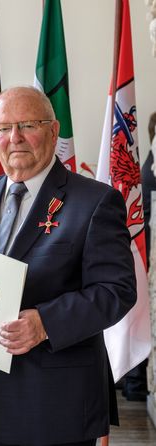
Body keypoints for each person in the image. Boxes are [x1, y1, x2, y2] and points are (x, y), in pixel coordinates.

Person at [0, 86, 136, 446]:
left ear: (54, 131)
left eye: (28, 124)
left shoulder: (96, 202)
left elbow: (115, 291)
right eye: (4, 127)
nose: (15, 138)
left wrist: (45, 323)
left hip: (56, 407)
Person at [122, 111, 156, 402]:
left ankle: (136, 383)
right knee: (143, 313)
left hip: (145, 253)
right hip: (146, 255)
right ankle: (135, 384)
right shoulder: (152, 169)